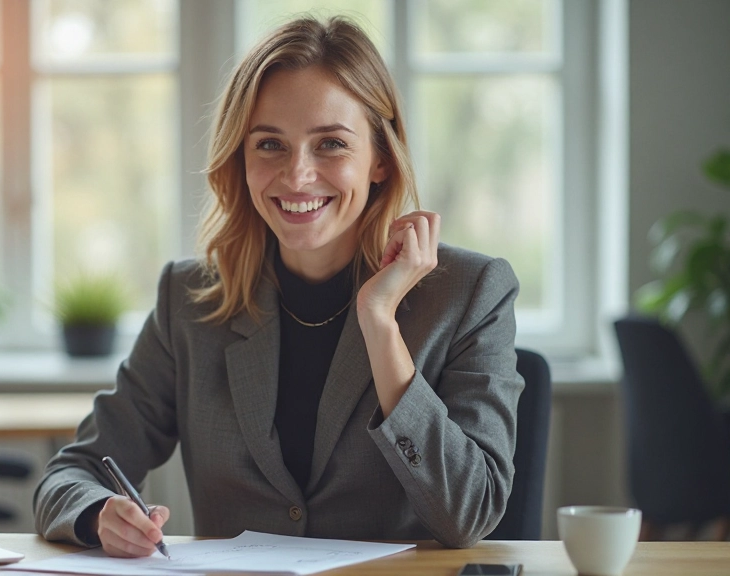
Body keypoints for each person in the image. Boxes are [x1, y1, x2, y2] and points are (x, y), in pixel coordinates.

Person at [34, 15, 523, 554]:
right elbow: (71, 474)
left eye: (331, 144)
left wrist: (381, 325)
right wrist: (100, 514)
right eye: (270, 145)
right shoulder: (190, 299)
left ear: (380, 159)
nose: (297, 176)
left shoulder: (470, 293)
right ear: (240, 157)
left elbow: (470, 514)